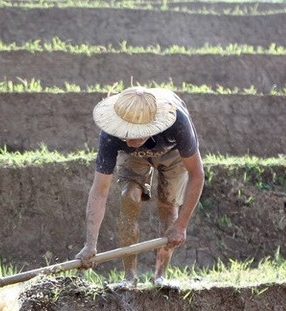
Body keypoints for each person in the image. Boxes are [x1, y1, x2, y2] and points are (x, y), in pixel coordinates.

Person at [75, 86, 205, 287]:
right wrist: (90, 244)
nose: (129, 140)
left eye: (136, 135)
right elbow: (100, 190)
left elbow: (197, 174)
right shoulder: (111, 135)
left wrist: (181, 225)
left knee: (168, 206)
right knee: (129, 197)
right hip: (133, 158)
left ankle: (160, 276)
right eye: (126, 134)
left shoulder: (177, 122)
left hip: (173, 153)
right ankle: (130, 278)